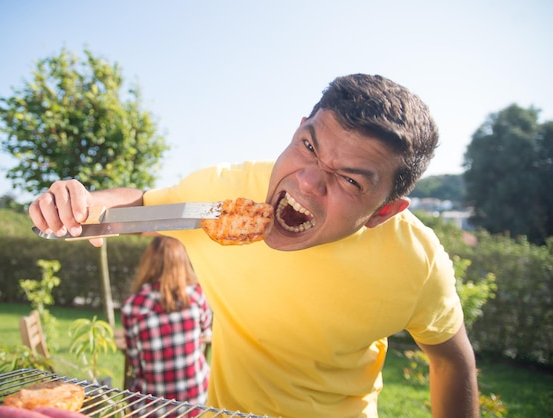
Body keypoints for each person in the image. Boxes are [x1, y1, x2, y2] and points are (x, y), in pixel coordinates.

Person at [29, 74, 479, 417]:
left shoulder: (416, 261)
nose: (307, 180)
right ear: (299, 128)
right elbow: (139, 206)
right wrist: (85, 203)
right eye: (308, 146)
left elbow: (452, 362)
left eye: (348, 180)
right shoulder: (224, 193)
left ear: (383, 211)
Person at [121, 235, 212, 417]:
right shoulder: (197, 295)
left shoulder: (134, 304)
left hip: (153, 405)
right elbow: (205, 329)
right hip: (197, 398)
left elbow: (135, 360)